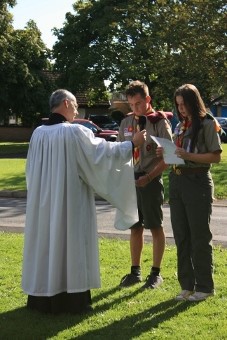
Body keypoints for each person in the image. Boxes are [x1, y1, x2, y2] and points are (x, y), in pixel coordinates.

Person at [22, 89, 146, 314]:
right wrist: (132, 144)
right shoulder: (73, 133)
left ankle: (42, 299)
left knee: (48, 244)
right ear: (67, 103)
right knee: (71, 243)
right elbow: (102, 153)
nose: (78, 109)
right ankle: (73, 300)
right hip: (70, 202)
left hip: (43, 203)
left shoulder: (38, 133)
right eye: (76, 105)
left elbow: (30, 171)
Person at [157, 84, 222, 301]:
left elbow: (215, 157)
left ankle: (204, 287)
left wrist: (188, 155)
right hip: (177, 180)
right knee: (181, 236)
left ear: (194, 101)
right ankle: (187, 286)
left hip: (197, 181)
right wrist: (165, 152)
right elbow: (179, 153)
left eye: (184, 104)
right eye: (178, 105)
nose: (181, 109)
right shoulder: (180, 125)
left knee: (199, 236)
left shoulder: (207, 123)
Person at [117, 80, 173, 289]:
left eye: (139, 104)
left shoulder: (159, 122)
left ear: (148, 100)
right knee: (135, 227)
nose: (135, 109)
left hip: (150, 179)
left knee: (155, 226)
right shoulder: (126, 123)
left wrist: (149, 177)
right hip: (131, 180)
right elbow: (119, 152)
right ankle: (135, 271)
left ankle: (156, 273)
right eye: (131, 105)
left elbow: (169, 158)